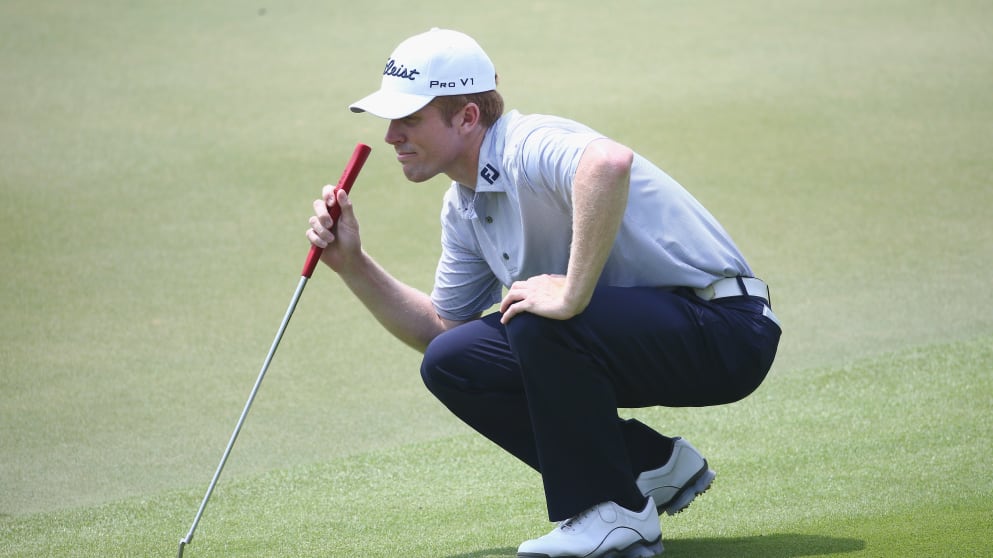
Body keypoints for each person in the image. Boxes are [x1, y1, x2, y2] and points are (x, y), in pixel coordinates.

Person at [307, 28, 781, 558]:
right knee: (451, 362)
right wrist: (354, 265)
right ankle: (646, 467)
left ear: (467, 117)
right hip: (648, 339)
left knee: (538, 312)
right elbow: (445, 331)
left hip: (728, 330)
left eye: (410, 119)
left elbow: (607, 164)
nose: (393, 135)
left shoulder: (527, 143)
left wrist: (571, 293)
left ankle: (612, 511)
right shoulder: (465, 204)